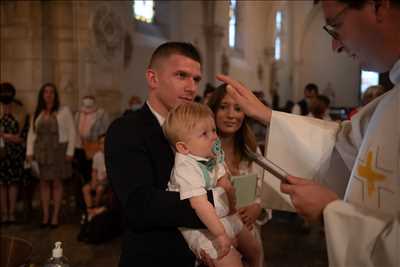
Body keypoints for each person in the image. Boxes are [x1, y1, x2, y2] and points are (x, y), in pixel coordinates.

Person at [217, 0, 400, 265]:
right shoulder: (390, 102)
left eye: (336, 25)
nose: (335, 46)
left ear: (379, 7)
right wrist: (267, 115)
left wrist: (332, 211)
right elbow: (342, 144)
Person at [105, 42, 225, 267]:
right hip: (155, 257)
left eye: (196, 79)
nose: (191, 87)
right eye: (181, 75)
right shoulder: (126, 130)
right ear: (153, 78)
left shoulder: (202, 128)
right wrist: (219, 201)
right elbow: (141, 207)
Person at [163, 102, 261, 267]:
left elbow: (225, 183)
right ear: (184, 147)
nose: (214, 137)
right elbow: (200, 205)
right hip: (199, 226)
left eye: (214, 130)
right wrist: (222, 235)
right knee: (230, 262)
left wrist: (232, 204)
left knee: (254, 249)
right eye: (204, 134)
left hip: (223, 215)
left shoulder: (210, 155)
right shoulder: (185, 167)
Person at [208, 84, 270, 267]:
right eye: (223, 107)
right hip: (218, 240)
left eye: (238, 108)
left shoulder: (251, 149)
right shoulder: (203, 150)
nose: (231, 115)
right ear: (212, 110)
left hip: (250, 233)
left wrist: (257, 207)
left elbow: (265, 189)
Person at [27, 83, 76, 228]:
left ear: (55, 95)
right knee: (43, 184)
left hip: (59, 150)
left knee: (56, 183)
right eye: (46, 92)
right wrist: (29, 152)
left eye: (52, 92)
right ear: (42, 95)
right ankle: (45, 216)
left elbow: (72, 131)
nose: (49, 95)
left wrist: (70, 152)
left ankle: (55, 217)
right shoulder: (38, 112)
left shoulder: (64, 110)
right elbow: (32, 133)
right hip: (42, 151)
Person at [0, 82, 27, 224]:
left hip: (15, 154)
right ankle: (4, 214)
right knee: (2, 185)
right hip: (0, 155)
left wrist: (5, 136)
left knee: (13, 184)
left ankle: (12, 213)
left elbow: (21, 137)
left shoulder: (20, 112)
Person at [82, 134, 108, 220]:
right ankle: (90, 210)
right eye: (100, 143)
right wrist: (93, 181)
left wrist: (100, 182)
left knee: (99, 189)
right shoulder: (97, 156)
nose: (102, 145)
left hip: (106, 182)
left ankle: (96, 208)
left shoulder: (111, 156)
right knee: (86, 188)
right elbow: (94, 171)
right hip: (97, 179)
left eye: (104, 143)